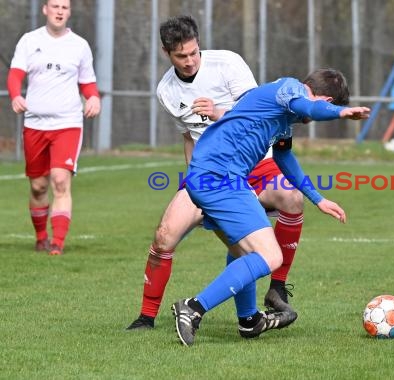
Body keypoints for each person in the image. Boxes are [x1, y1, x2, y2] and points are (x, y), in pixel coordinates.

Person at [127, 15, 306, 332]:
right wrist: (193, 182)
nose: (189, 61)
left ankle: (277, 287)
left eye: (194, 52)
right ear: (166, 53)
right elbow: (188, 137)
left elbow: (259, 115)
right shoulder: (166, 91)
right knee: (164, 236)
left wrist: (218, 112)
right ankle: (146, 317)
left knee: (291, 197)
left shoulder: (227, 64)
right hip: (210, 174)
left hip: (255, 163)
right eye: (181, 56)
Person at [171, 68, 370, 346]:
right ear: (324, 99)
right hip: (221, 176)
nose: (313, 119)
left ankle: (249, 320)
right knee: (270, 256)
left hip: (216, 175)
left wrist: (318, 199)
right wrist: (339, 113)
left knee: (243, 252)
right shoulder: (290, 89)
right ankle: (193, 308)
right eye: (325, 108)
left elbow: (284, 157)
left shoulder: (284, 116)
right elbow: (308, 105)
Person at [6, 0, 101, 255]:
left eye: (65, 7)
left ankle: (57, 243)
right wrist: (15, 95)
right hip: (35, 123)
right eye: (55, 6)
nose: (60, 11)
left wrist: (93, 97)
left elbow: (88, 83)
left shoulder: (79, 45)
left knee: (60, 180)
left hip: (67, 123)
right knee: (38, 186)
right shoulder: (29, 40)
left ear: (69, 12)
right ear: (45, 9)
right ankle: (41, 237)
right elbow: (15, 75)